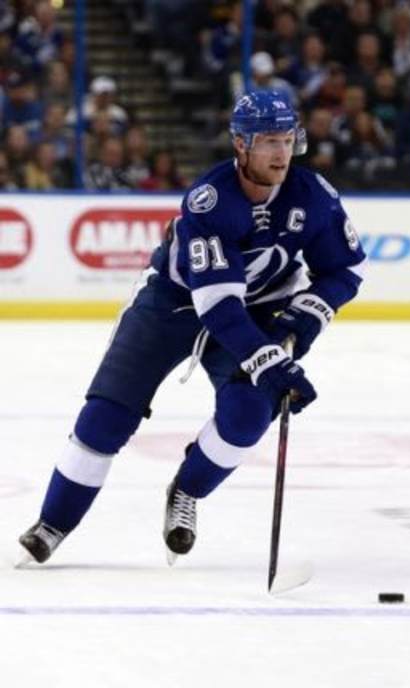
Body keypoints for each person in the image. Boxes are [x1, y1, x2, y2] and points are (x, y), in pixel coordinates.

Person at [18, 90, 367, 565]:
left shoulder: (315, 197)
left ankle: (186, 490)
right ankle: (54, 521)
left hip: (262, 310)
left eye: (287, 139)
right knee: (106, 418)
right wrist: (267, 360)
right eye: (268, 141)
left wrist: (299, 324)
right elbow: (218, 305)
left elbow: (343, 272)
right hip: (173, 304)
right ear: (241, 145)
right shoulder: (210, 201)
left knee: (247, 416)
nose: (281, 152)